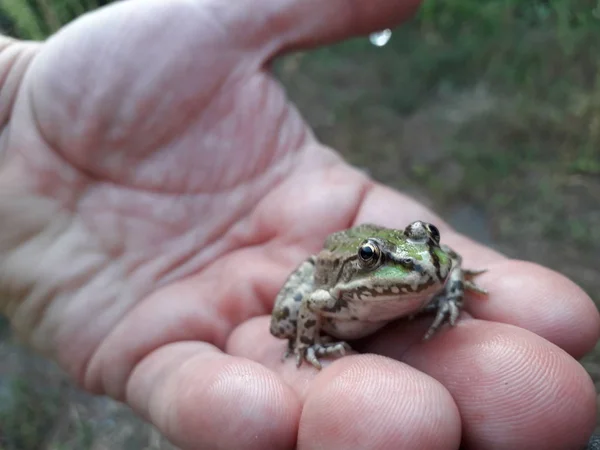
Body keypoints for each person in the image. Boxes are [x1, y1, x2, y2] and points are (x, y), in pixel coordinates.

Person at [0, 0, 598, 448]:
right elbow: (309, 303)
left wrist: (449, 291)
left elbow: (444, 266)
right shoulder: (332, 291)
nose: (419, 265)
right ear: (361, 263)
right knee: (288, 321)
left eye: (427, 244)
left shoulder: (427, 264)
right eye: (377, 258)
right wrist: (310, 340)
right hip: (324, 272)